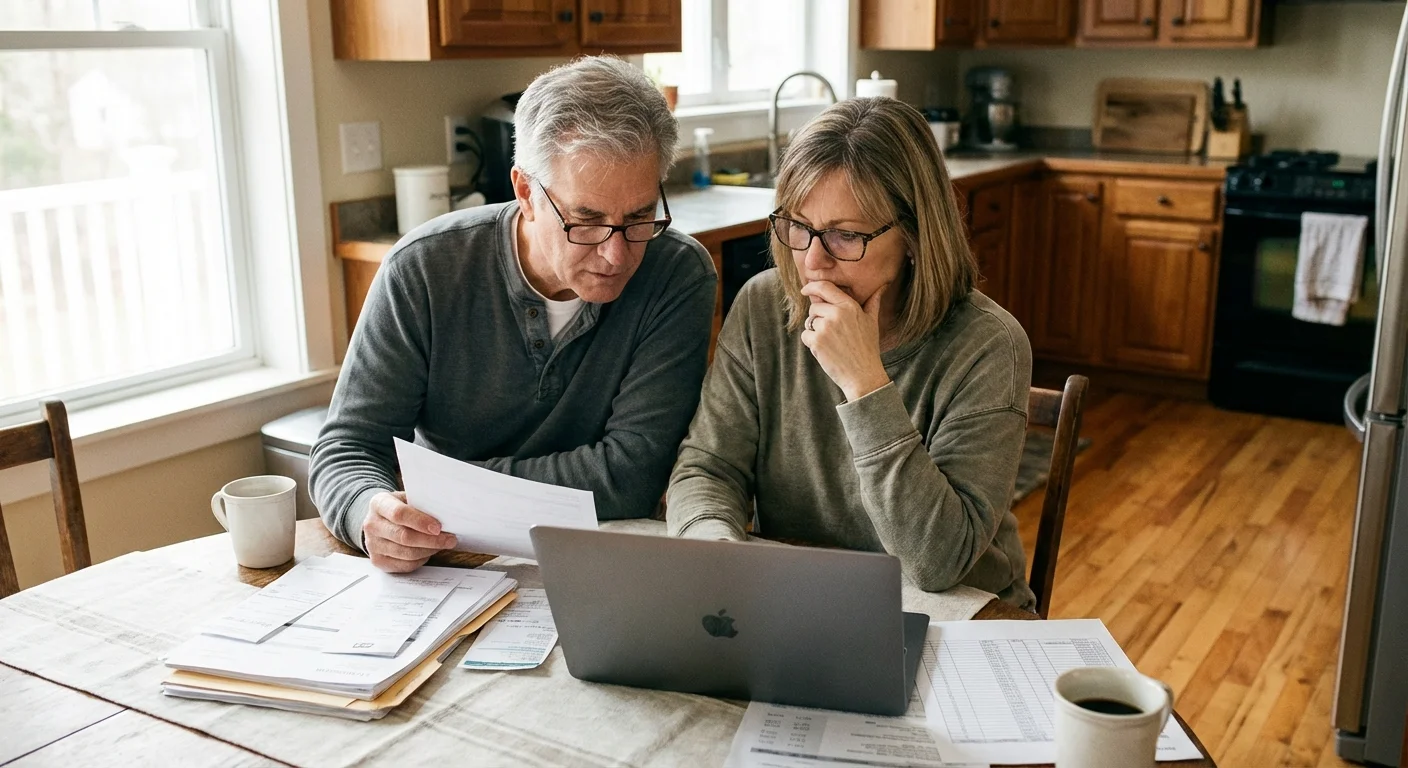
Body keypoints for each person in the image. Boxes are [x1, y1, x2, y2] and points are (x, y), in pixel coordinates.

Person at [312, 57, 717, 573]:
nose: (617, 256)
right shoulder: (422, 270)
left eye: (639, 217)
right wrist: (367, 511)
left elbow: (631, 476)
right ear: (525, 192)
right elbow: (348, 447)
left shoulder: (676, 274)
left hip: (599, 557)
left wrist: (447, 486)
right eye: (586, 221)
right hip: (444, 561)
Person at [667, 97, 1036, 609]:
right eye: (798, 226)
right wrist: (716, 551)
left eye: (845, 235)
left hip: (962, 614)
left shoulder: (989, 345)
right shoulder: (761, 306)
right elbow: (707, 468)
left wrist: (865, 384)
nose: (811, 262)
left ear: (913, 235)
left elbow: (936, 562)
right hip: (805, 595)